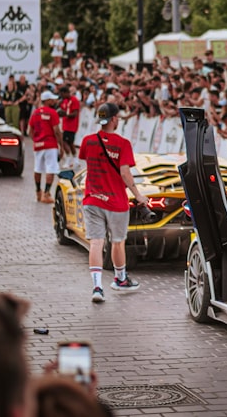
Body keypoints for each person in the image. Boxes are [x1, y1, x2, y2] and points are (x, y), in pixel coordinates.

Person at [77, 102, 149, 303]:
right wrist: (139, 195)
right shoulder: (123, 143)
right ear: (115, 119)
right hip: (116, 201)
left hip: (92, 199)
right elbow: (125, 173)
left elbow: (86, 161)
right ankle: (120, 279)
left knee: (96, 242)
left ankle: (97, 287)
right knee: (117, 242)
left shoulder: (87, 141)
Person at [30, 91, 62, 203]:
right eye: (52, 99)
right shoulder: (52, 113)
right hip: (50, 144)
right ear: (47, 101)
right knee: (51, 168)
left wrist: (36, 140)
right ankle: (47, 193)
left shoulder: (35, 113)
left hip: (38, 145)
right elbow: (56, 130)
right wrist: (61, 145)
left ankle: (38, 192)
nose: (54, 101)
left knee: (37, 168)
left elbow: (30, 130)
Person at [58, 85, 81, 169]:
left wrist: (65, 114)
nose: (61, 96)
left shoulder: (74, 100)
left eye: (62, 94)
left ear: (65, 93)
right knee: (70, 143)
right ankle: (75, 160)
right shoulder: (64, 101)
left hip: (71, 125)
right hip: (65, 125)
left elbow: (75, 113)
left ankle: (68, 159)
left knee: (64, 141)